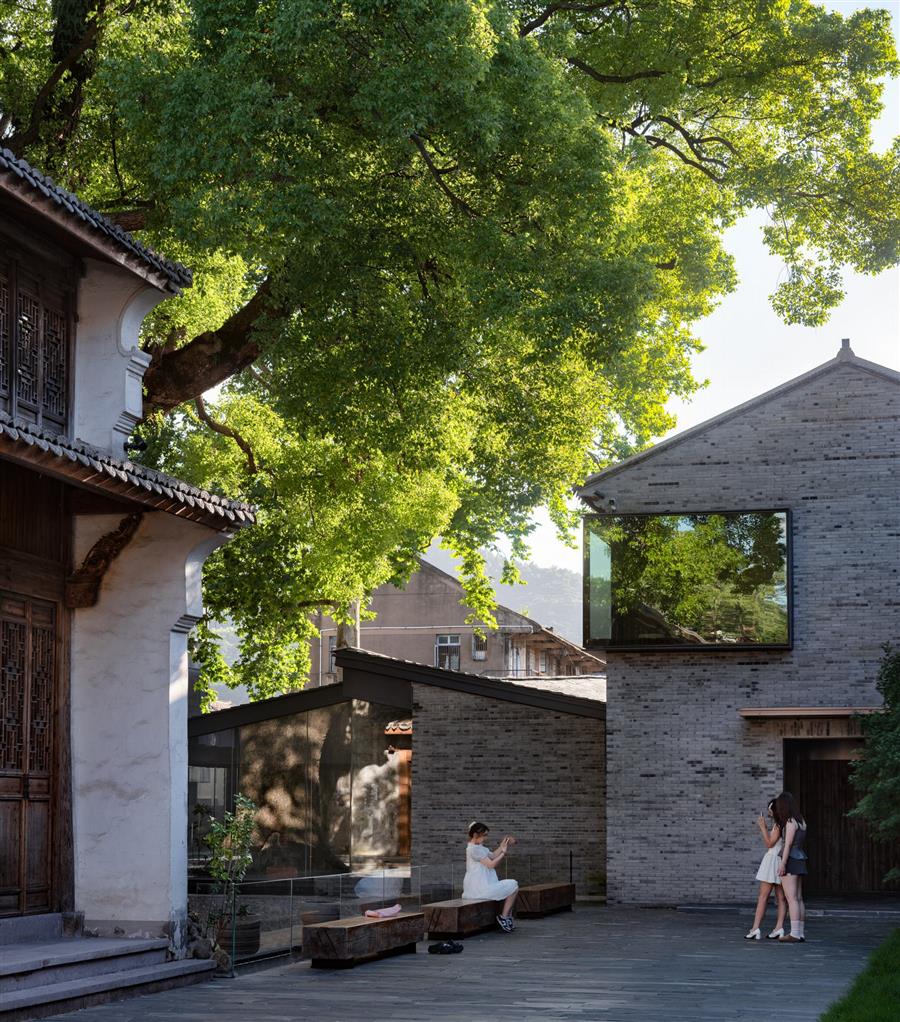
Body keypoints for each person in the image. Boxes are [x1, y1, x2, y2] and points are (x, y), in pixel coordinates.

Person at [463, 821, 519, 932]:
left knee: (513, 886)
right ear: (475, 835)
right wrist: (503, 853)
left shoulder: (479, 847)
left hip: (483, 885)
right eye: (484, 835)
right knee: (513, 885)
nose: (486, 838)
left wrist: (504, 844)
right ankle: (504, 917)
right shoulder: (473, 850)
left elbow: (492, 855)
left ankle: (506, 917)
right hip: (479, 889)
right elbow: (491, 864)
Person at [745, 799, 787, 940]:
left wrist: (762, 827)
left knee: (763, 897)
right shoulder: (784, 824)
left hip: (772, 861)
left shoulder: (778, 825)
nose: (769, 813)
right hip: (779, 861)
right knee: (781, 898)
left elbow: (769, 844)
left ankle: (755, 928)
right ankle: (779, 928)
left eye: (771, 810)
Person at [774, 791, 808, 943]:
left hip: (791, 860)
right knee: (798, 898)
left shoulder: (790, 822)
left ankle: (794, 934)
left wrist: (782, 864)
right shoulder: (802, 822)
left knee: (791, 898)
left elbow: (787, 845)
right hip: (800, 858)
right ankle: (800, 933)